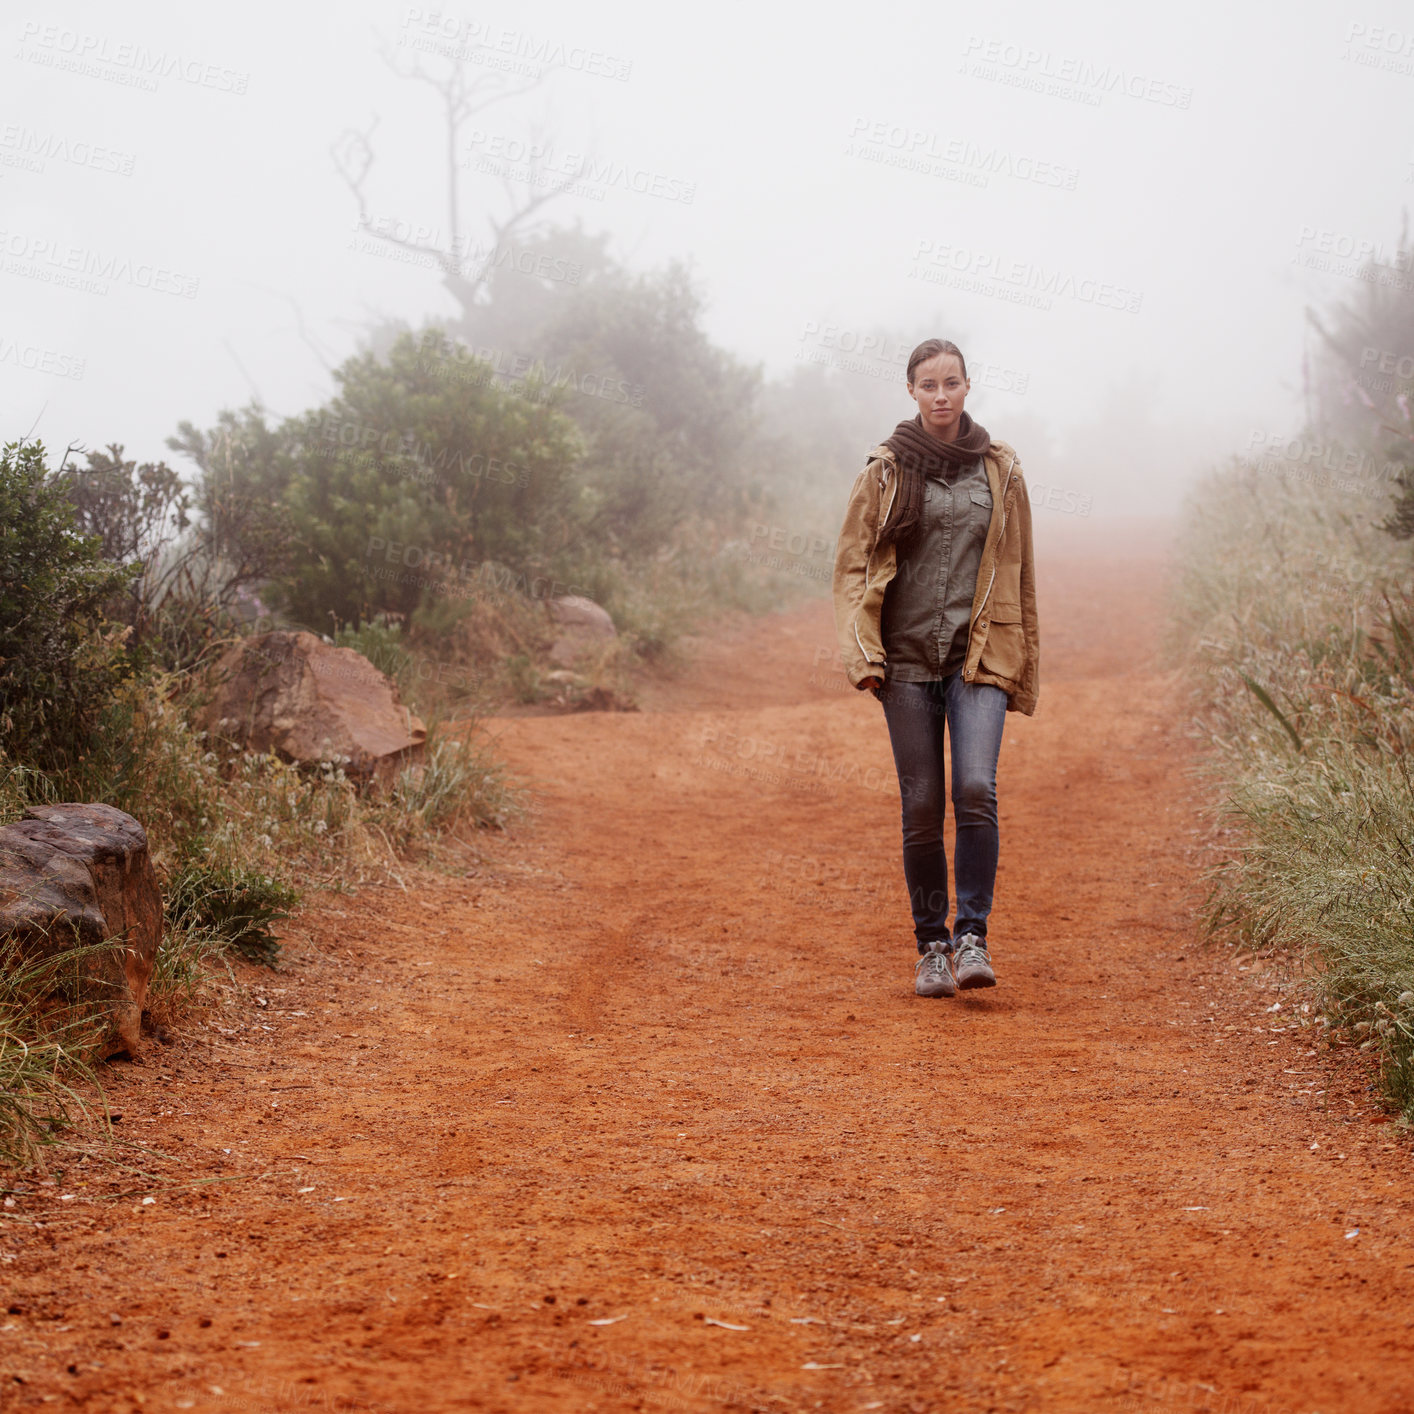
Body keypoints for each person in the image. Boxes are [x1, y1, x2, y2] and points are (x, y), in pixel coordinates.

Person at [832, 338, 1039, 997]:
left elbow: (1020, 572)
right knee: (922, 805)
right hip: (908, 663)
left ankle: (972, 936)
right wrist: (862, 651)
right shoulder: (886, 470)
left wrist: (1022, 656)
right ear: (913, 392)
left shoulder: (1001, 470)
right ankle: (931, 947)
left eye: (952, 382)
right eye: (929, 384)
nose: (942, 394)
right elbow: (853, 566)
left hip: (977, 659)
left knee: (976, 789)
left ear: (969, 386)